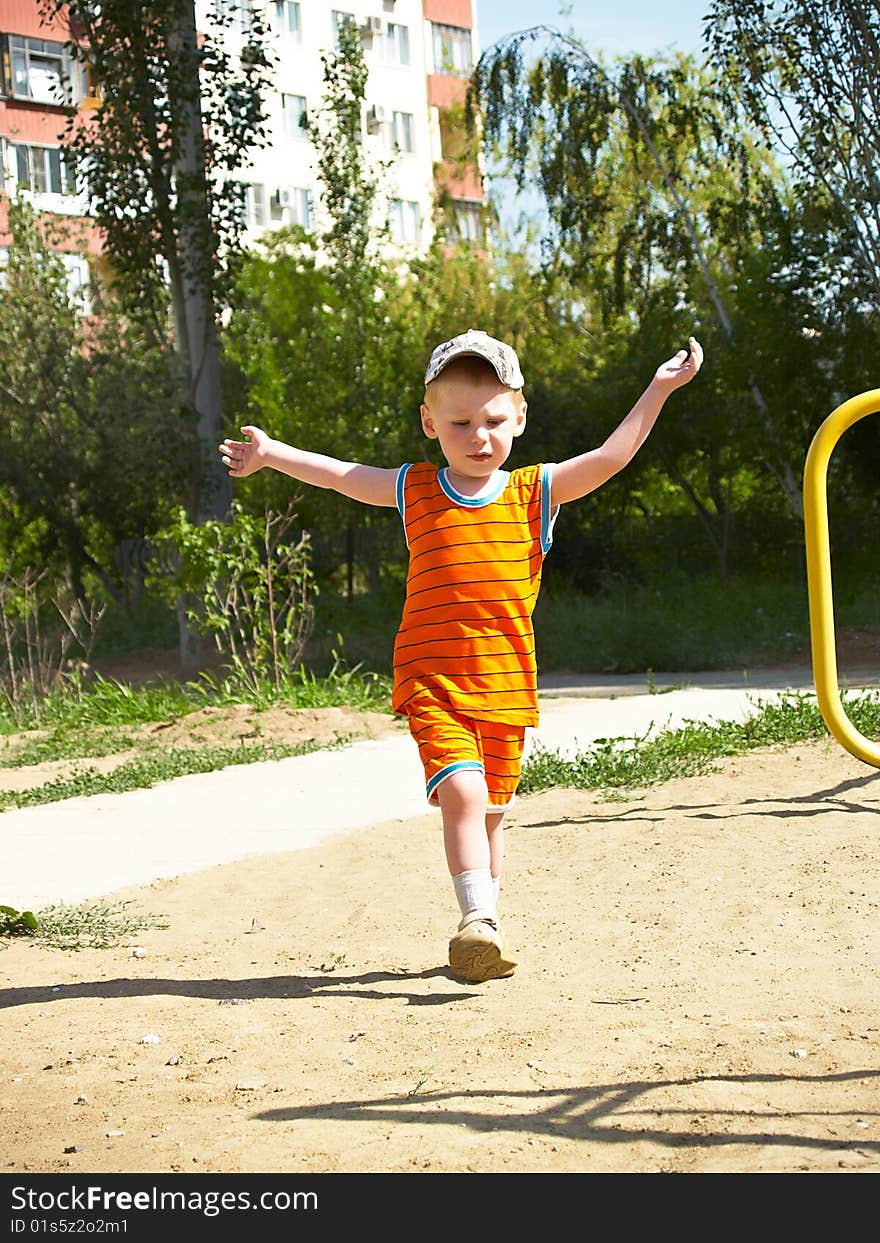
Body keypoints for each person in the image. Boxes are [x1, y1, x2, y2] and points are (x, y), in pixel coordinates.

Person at [218, 328, 704, 984]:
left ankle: (487, 932)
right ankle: (475, 920)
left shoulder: (535, 494)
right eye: (460, 421)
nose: (479, 435)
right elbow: (337, 476)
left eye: (494, 420)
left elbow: (612, 456)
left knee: (491, 812)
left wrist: (661, 386)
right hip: (433, 681)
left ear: (521, 417)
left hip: (505, 688)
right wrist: (273, 454)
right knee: (466, 796)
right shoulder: (414, 489)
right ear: (429, 422)